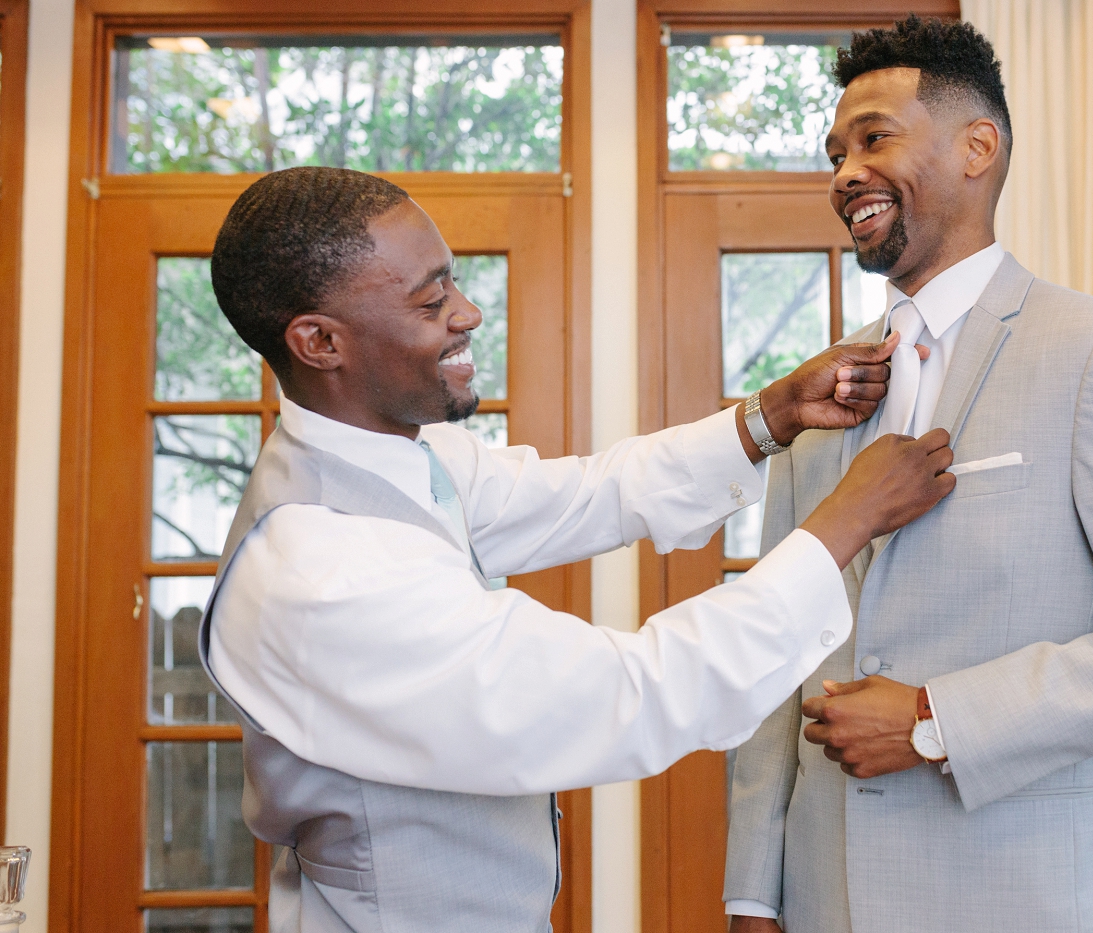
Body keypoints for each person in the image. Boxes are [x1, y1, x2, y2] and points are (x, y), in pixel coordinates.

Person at [196, 166, 957, 933]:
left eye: (452, 282)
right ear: (320, 341)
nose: (468, 313)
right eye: (430, 302)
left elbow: (593, 493)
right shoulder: (321, 572)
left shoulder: (404, 456)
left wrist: (771, 415)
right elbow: (631, 692)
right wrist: (845, 522)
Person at [724, 17, 1093, 933]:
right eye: (836, 153)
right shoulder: (818, 390)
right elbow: (776, 647)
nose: (845, 172)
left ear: (979, 148)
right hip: (823, 900)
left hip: (1024, 899)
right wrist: (753, 891)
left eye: (874, 138)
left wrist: (937, 717)